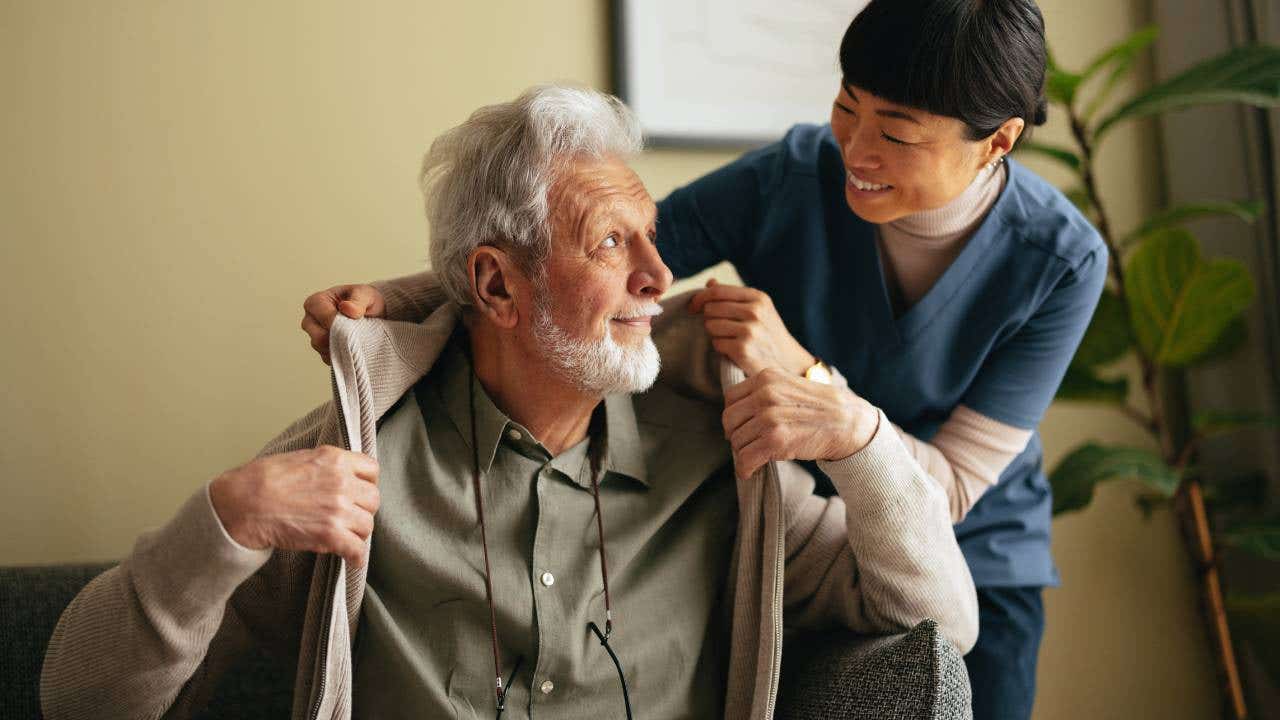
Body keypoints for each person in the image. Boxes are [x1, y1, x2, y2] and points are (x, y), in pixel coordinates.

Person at [41, 85, 976, 720]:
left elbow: (945, 626)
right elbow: (80, 698)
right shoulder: (358, 466)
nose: (660, 277)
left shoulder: (725, 470)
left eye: (653, 240)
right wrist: (227, 520)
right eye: (614, 245)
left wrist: (857, 439)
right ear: (496, 286)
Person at [299, 2, 1106, 718]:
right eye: (844, 107)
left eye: (895, 134)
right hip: (776, 507)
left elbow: (954, 490)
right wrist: (395, 298)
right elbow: (593, 264)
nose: (854, 148)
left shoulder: (1061, 263)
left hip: (964, 544)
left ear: (997, 141)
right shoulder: (793, 176)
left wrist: (806, 374)